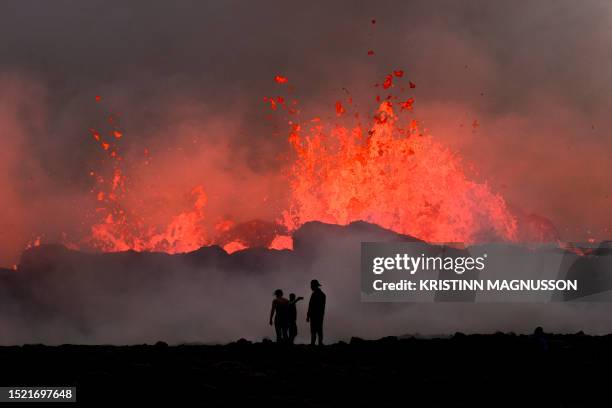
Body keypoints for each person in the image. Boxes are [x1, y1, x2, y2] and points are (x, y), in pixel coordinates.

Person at [307, 279, 326, 346]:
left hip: (314, 315)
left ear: (314, 286)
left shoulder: (314, 294)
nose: (311, 287)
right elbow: (323, 307)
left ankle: (313, 343)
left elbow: (310, 305)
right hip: (320, 315)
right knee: (319, 329)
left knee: (313, 330)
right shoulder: (323, 295)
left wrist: (308, 315)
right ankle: (320, 343)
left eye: (311, 285)